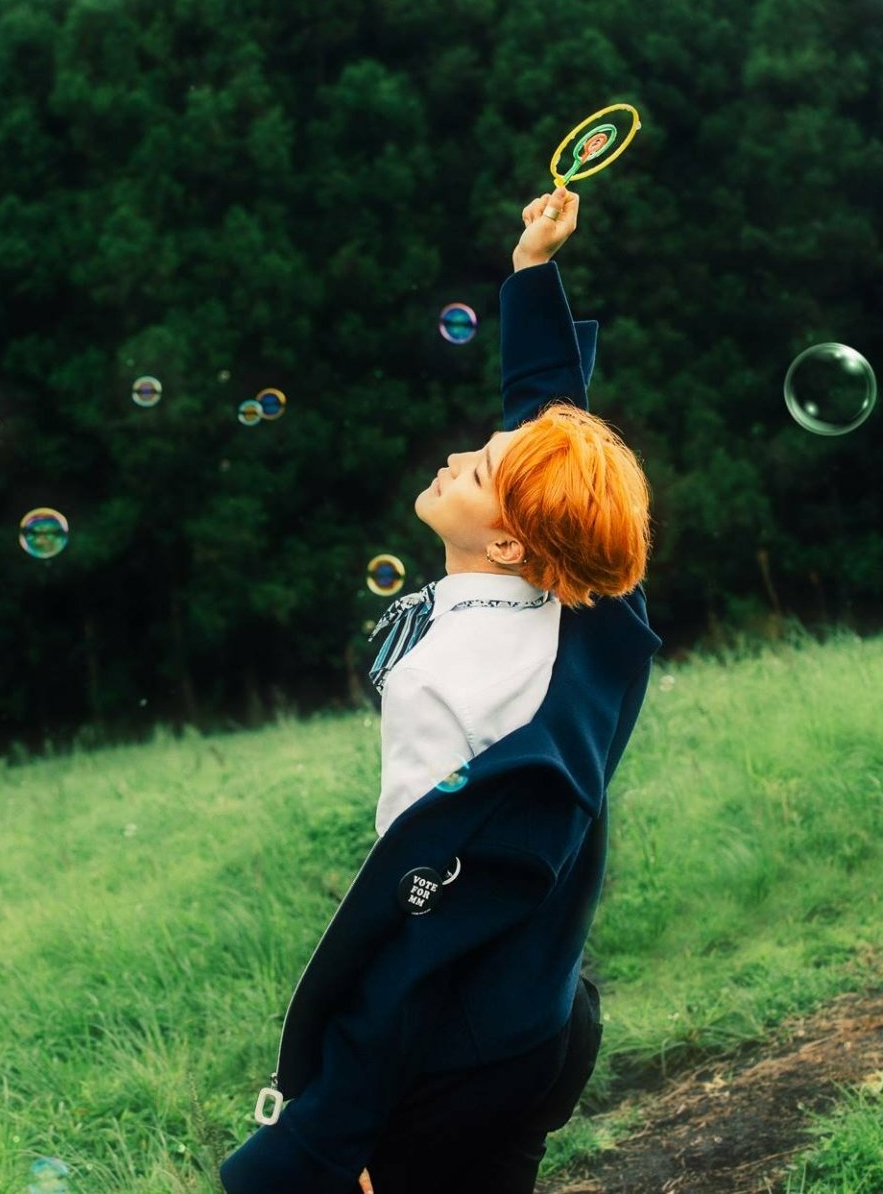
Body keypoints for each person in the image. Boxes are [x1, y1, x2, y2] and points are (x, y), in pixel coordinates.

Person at [220, 183, 659, 1194]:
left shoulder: (449, 691)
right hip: (547, 1014)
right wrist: (533, 273)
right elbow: (549, 432)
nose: (461, 454)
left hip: (459, 1059)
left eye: (478, 470)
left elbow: (419, 929)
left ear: (508, 539)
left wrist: (332, 1129)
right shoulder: (595, 614)